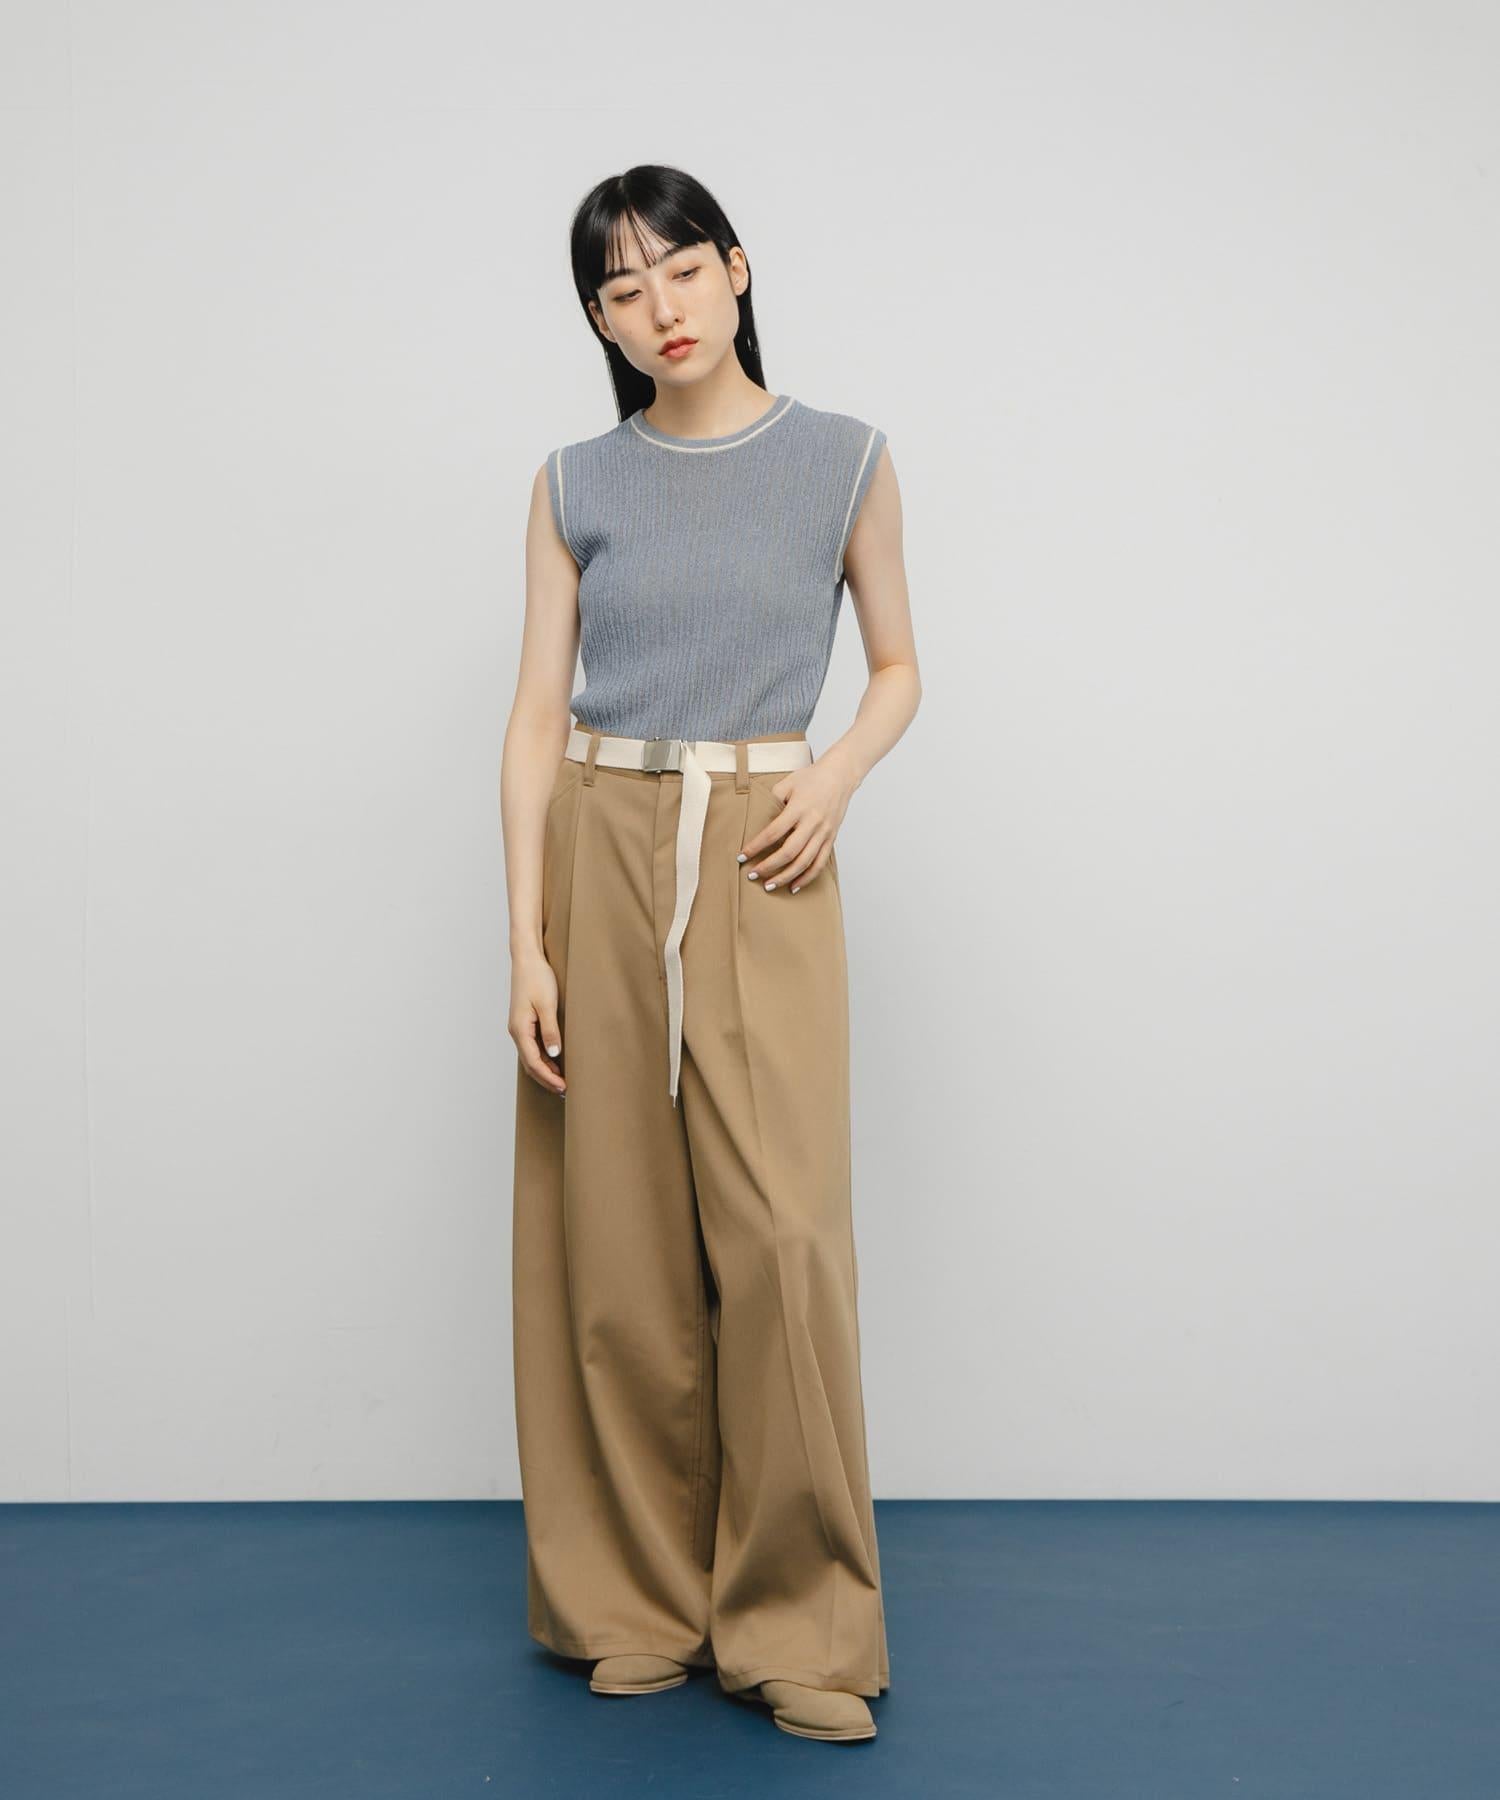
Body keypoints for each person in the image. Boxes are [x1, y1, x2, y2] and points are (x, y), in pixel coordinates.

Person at [501, 163, 920, 1745]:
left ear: (736, 271)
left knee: (785, 1240)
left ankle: (801, 1620)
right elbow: (534, 717)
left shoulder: (843, 457)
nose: (657, 309)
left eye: (679, 270)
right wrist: (526, 938)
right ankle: (634, 1605)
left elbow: (899, 665)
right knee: (612, 1240)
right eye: (620, 291)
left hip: (766, 839)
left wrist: (833, 776)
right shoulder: (572, 484)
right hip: (602, 840)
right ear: (599, 320)